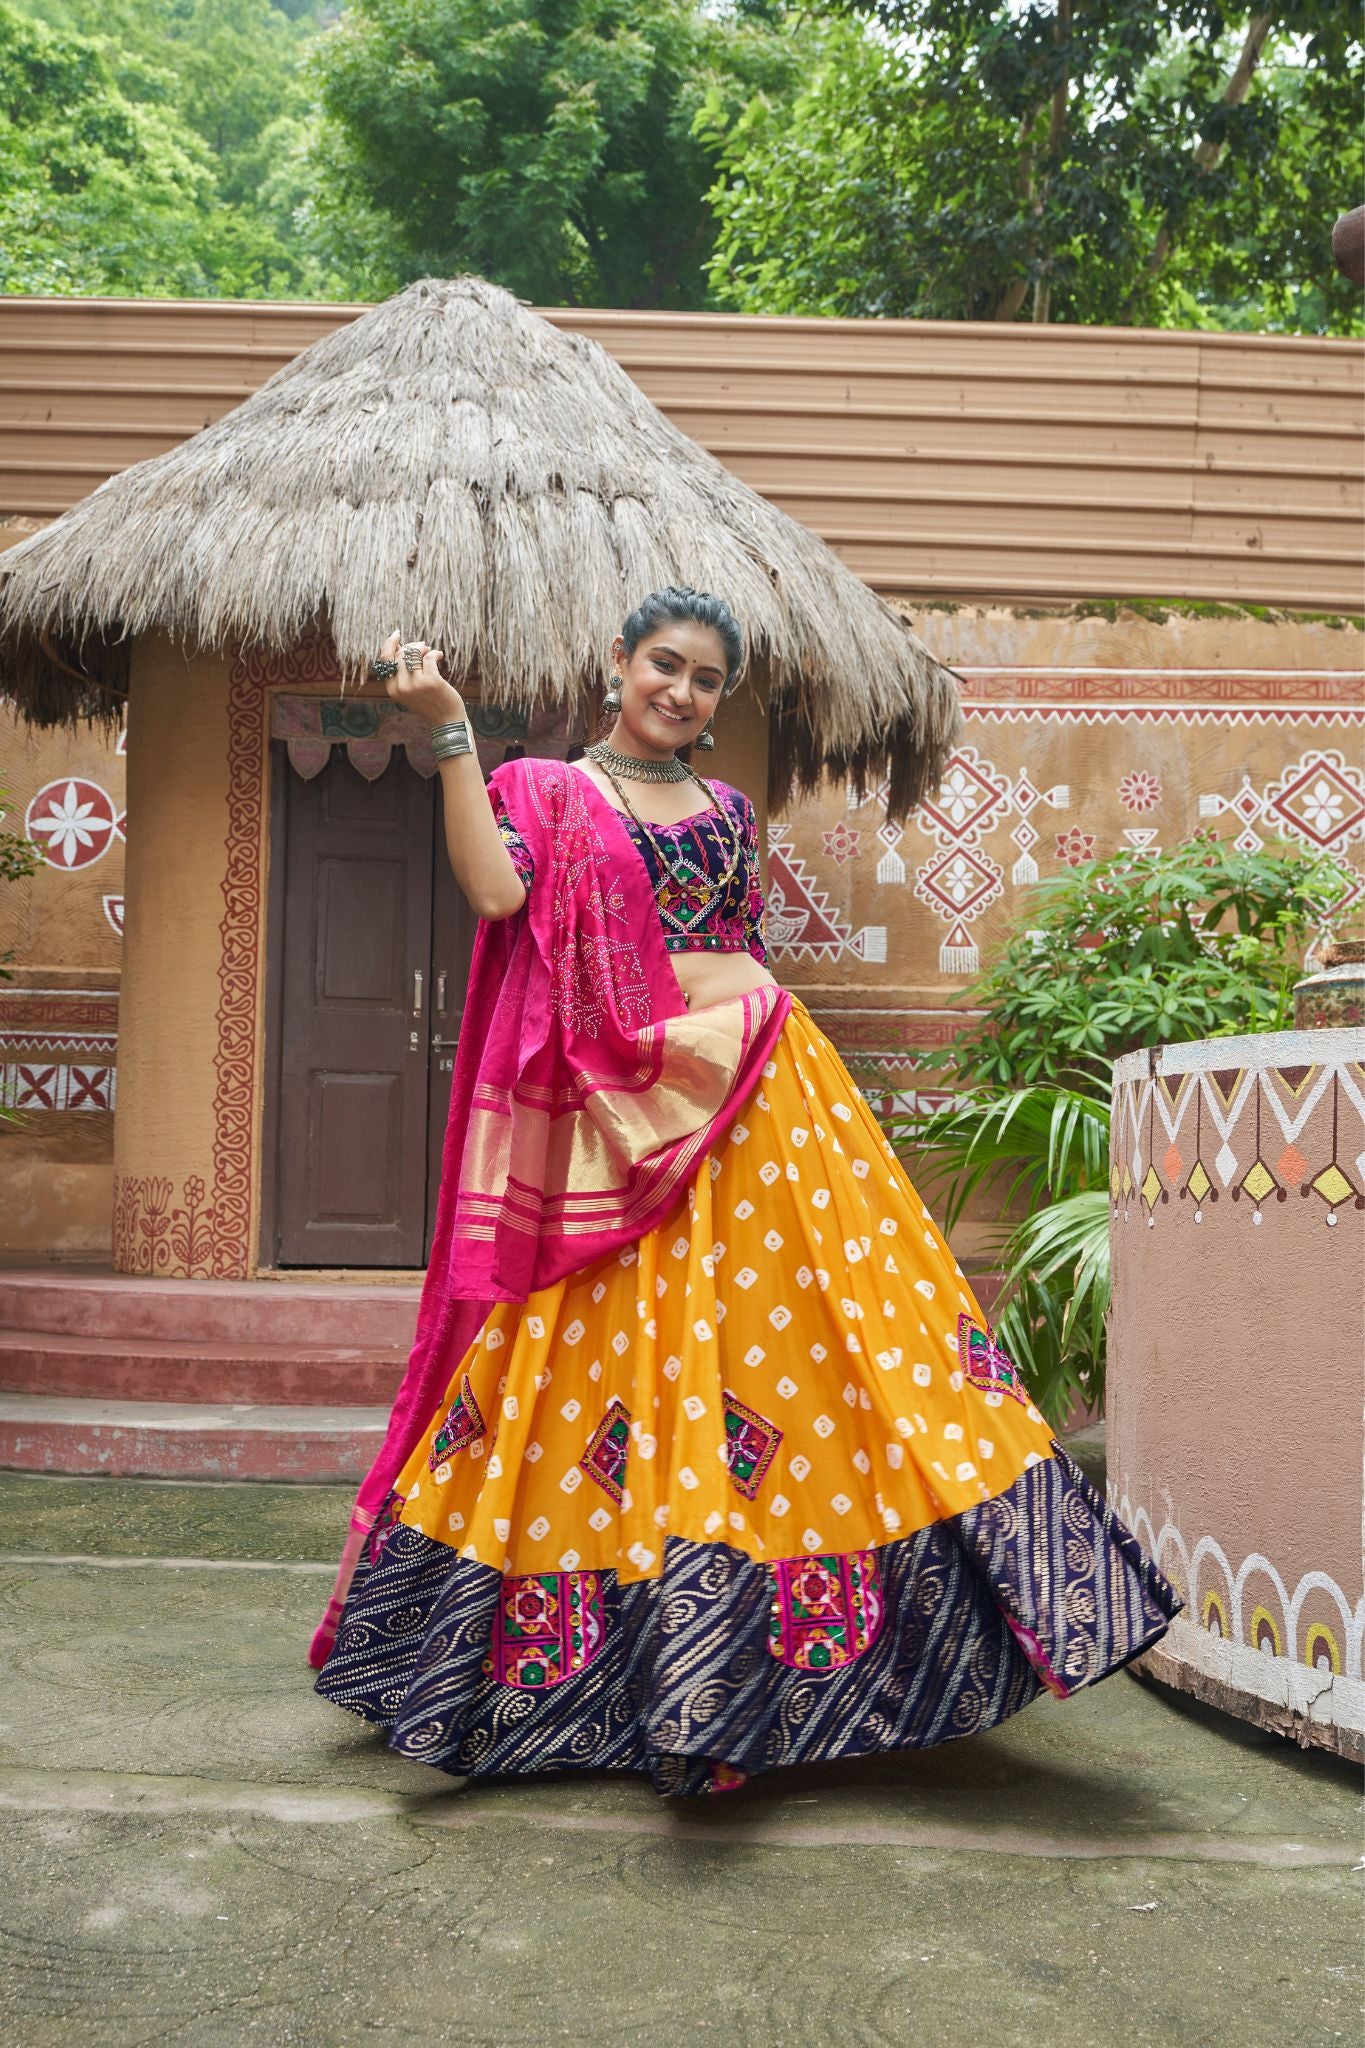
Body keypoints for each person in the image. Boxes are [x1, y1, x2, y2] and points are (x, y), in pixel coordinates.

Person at [311, 587, 1179, 1798]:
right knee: (597, 1367)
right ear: (618, 661)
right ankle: (597, 1675)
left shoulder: (726, 807)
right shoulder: (544, 791)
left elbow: (731, 943)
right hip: (615, 1115)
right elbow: (499, 895)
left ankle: (782, 1669)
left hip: (756, 1104)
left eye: (706, 679)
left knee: (815, 1352)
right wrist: (450, 727)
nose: (681, 690)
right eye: (664, 664)